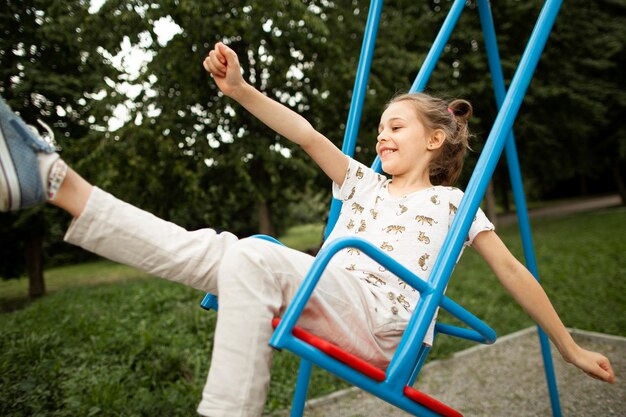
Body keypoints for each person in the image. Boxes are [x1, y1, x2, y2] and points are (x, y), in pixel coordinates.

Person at [0, 41, 614, 417]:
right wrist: (239, 89)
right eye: (380, 126)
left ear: (433, 139)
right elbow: (302, 132)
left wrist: (568, 346)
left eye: (395, 127)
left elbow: (511, 269)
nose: (381, 135)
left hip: (385, 325)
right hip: (336, 293)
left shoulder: (456, 203)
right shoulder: (362, 183)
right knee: (226, 253)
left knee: (249, 257)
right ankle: (58, 185)